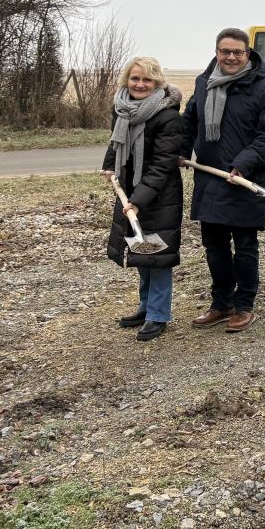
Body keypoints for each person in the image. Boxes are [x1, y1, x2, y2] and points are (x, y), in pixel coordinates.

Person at [180, 28, 265, 334]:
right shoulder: (204, 83)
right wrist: (182, 150)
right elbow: (189, 121)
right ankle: (221, 303)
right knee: (214, 246)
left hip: (244, 179)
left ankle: (244, 306)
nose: (230, 57)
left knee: (245, 245)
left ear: (248, 54)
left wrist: (243, 163)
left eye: (237, 52)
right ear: (217, 52)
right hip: (210, 176)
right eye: (225, 51)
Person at [103, 56, 184, 342]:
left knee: (157, 255)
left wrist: (138, 199)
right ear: (127, 80)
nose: (140, 84)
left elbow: (163, 164)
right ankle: (145, 306)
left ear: (157, 83)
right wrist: (109, 165)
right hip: (130, 190)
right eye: (135, 78)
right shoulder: (122, 108)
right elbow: (117, 142)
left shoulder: (167, 116)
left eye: (147, 80)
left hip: (159, 195)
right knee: (140, 251)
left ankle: (158, 314)